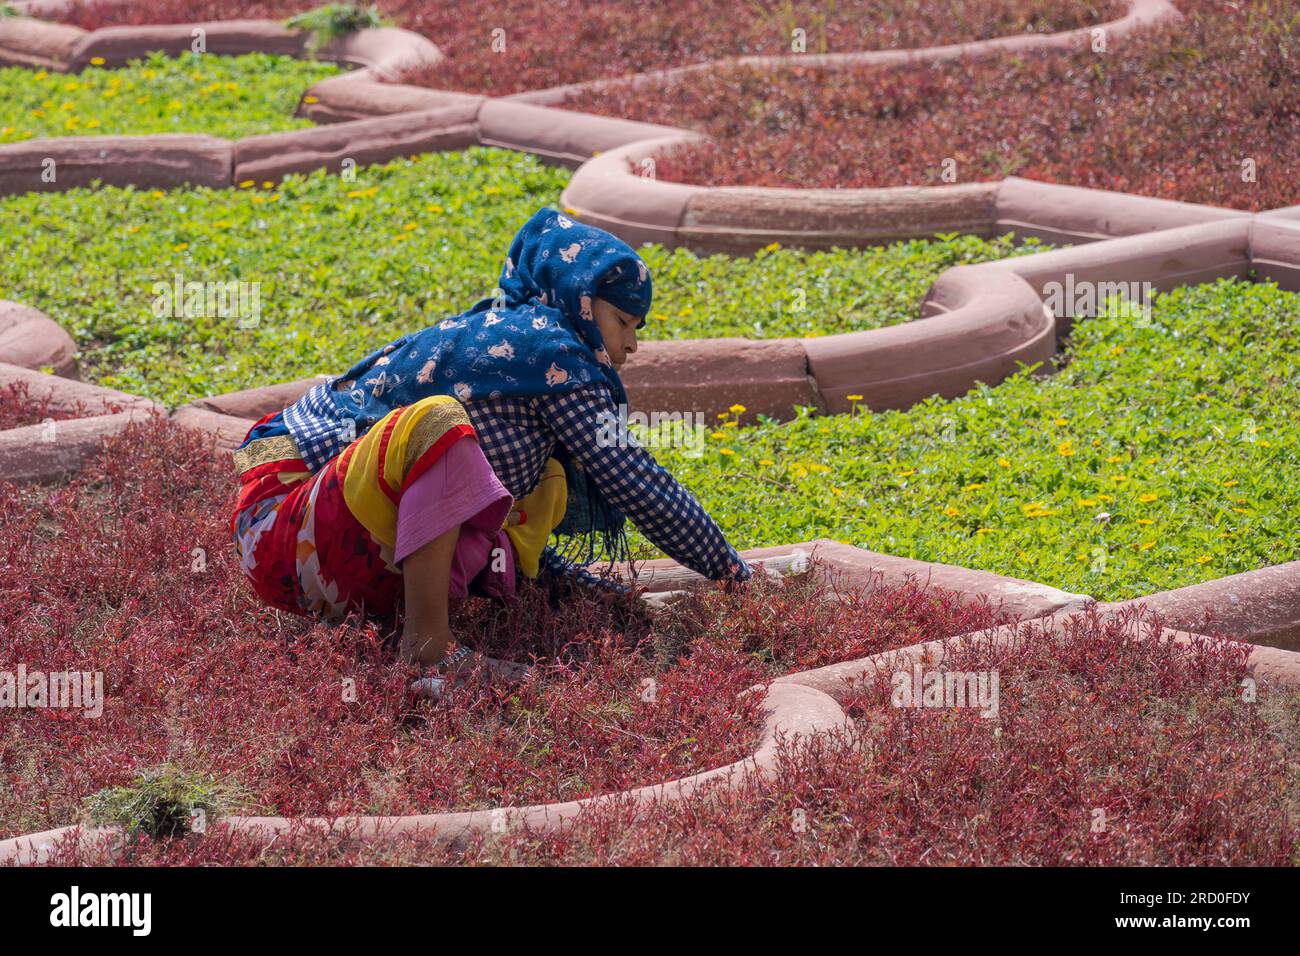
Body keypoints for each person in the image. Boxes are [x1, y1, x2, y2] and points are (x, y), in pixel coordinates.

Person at [230, 207, 751, 692]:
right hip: (282, 522)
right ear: (583, 303)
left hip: (330, 541)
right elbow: (638, 482)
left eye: (638, 328)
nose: (632, 346)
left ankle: (427, 625)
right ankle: (428, 653)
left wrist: (607, 598)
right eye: (624, 322)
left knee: (541, 474)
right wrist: (734, 577)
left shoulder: (526, 345)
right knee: (438, 423)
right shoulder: (548, 350)